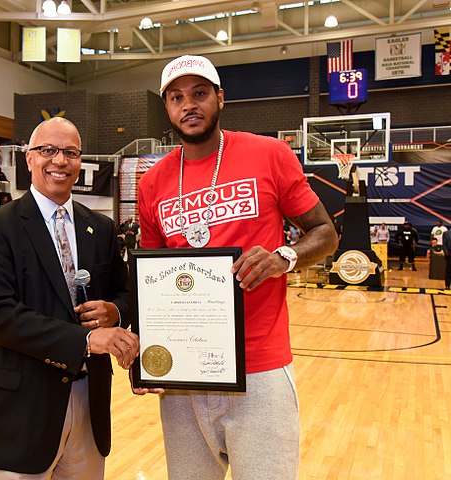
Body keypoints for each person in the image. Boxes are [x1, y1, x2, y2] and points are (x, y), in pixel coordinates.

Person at [135, 55, 338, 480]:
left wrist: (284, 257)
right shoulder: (152, 183)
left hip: (260, 366)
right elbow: (151, 279)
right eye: (176, 97)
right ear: (167, 108)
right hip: (185, 373)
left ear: (220, 99)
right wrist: (149, 359)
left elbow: (325, 232)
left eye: (199, 93)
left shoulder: (269, 154)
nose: (188, 105)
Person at [0, 116, 139, 480]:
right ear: (28, 158)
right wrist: (88, 339)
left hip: (89, 401)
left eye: (70, 152)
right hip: (21, 409)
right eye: (48, 150)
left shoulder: (101, 227)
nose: (59, 160)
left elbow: (126, 295)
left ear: (81, 162)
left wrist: (114, 312)